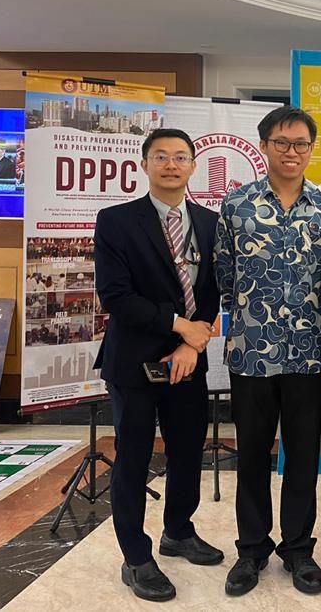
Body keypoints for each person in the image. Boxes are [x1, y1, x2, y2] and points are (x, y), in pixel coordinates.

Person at [214, 106, 321, 597]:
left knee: (303, 454)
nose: (292, 152)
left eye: (302, 144)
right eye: (282, 143)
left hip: (310, 353)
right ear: (265, 145)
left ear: (312, 149)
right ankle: (251, 549)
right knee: (251, 453)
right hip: (251, 353)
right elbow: (224, 276)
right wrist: (249, 318)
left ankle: (298, 549)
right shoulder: (236, 205)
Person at [93, 128, 223, 603]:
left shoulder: (211, 224)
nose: (171, 165)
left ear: (193, 166)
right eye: (161, 157)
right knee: (134, 459)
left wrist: (193, 343)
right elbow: (116, 296)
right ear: (144, 164)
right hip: (134, 363)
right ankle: (136, 557)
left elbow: (212, 292)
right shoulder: (117, 221)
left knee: (188, 451)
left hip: (187, 363)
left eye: (181, 157)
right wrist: (179, 326)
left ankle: (179, 532)